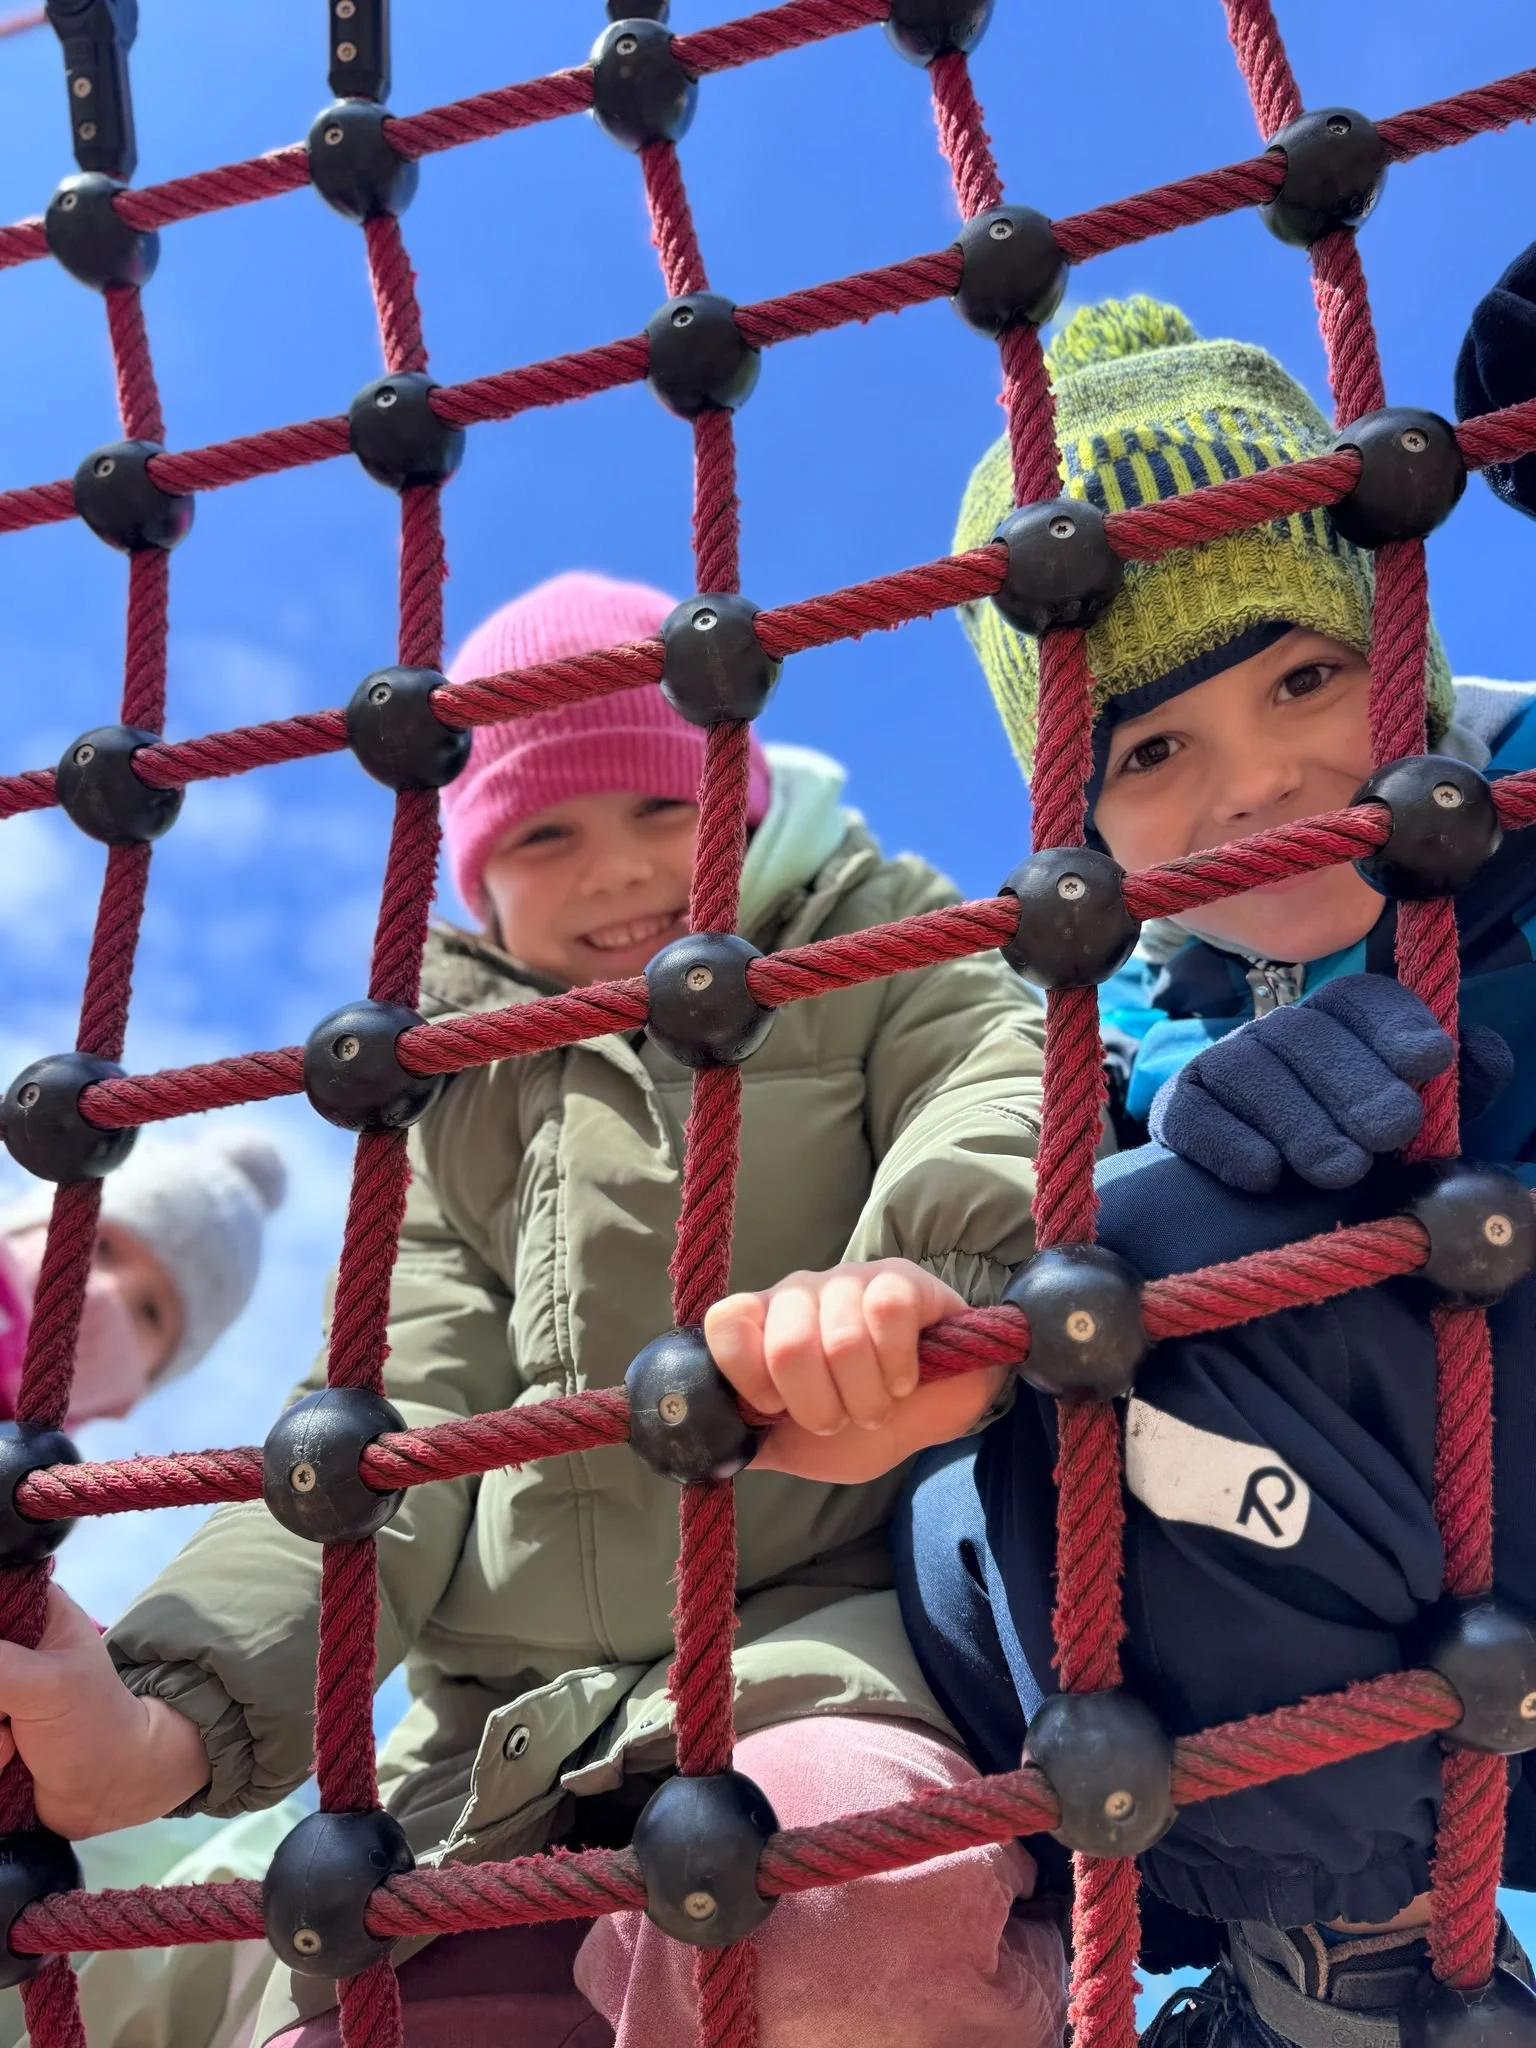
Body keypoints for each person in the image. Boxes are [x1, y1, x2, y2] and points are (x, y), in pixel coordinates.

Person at [0, 571, 1067, 2048]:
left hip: (818, 1641)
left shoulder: (873, 948)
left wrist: (925, 1288)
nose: (619, 870)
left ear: (743, 800)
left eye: (661, 808)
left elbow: (997, 1087)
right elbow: (376, 1439)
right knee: (376, 2006)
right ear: (475, 879)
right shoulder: (453, 1104)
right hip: (493, 1730)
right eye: (547, 833)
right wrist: (169, 1716)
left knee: (835, 1921)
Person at [699, 295, 1536, 2048]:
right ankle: (1339, 1957)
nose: (1257, 783)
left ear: (1409, 662)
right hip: (1373, 1697)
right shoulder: (1112, 1032)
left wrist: (1471, 1080)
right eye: (1150, 751)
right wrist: (929, 1353)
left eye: (1306, 675)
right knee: (1034, 1385)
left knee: (1156, 1251)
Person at [0, 1126, 288, 1426]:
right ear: (27, 1223)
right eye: (102, 1246)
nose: (105, 1290)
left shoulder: (39, 1469)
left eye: (150, 1312)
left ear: (144, 1384)